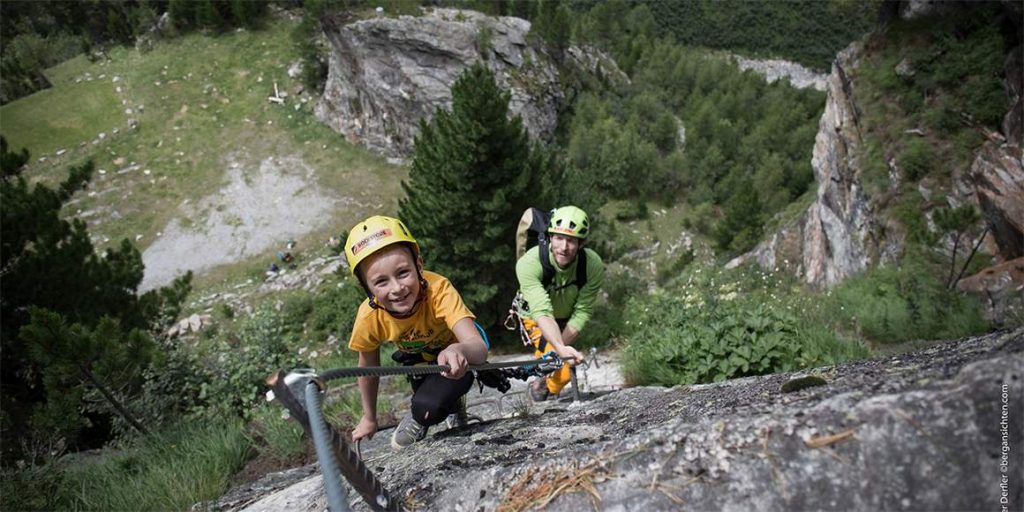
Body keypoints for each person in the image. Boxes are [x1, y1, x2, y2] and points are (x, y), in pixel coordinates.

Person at [344, 215, 489, 449]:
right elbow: (368, 369)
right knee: (425, 395)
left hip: (459, 361)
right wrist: (369, 417)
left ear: (418, 265)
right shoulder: (369, 316)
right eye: (381, 282)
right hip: (419, 362)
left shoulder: (439, 290)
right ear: (367, 288)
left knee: (426, 408)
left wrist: (458, 348)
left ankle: (429, 411)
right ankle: (444, 405)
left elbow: (479, 349)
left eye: (403, 273)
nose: (397, 288)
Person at [514, 206, 604, 401]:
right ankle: (539, 390)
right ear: (550, 237)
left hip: (565, 321)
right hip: (534, 318)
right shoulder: (530, 263)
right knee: (563, 369)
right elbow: (541, 311)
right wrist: (560, 349)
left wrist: (558, 347)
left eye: (571, 240)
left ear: (581, 244)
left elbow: (582, 311)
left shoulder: (592, 265)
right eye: (558, 238)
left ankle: (544, 386)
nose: (563, 247)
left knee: (557, 363)